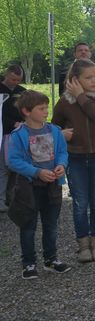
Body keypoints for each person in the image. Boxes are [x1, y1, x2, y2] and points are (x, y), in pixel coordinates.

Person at [52, 59, 95, 262]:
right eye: (88, 77)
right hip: (75, 158)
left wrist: (80, 96)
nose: (94, 80)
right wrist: (61, 133)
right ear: (75, 80)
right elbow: (53, 129)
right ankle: (83, 246)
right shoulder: (64, 102)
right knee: (79, 203)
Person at [7, 90, 70, 279]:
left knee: (51, 224)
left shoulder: (54, 131)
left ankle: (51, 259)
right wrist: (37, 172)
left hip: (52, 185)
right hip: (28, 187)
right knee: (28, 225)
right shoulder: (18, 135)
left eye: (46, 108)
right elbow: (13, 161)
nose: (45, 111)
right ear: (27, 111)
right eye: (41, 108)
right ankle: (28, 263)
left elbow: (62, 152)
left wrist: (61, 165)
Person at [0, 64, 25, 211]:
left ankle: (12, 197)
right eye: (13, 79)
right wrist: (12, 123)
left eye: (18, 80)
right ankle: (1, 199)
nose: (15, 83)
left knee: (16, 167)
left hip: (18, 135)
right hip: (3, 134)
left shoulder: (22, 92)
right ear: (6, 74)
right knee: (3, 168)